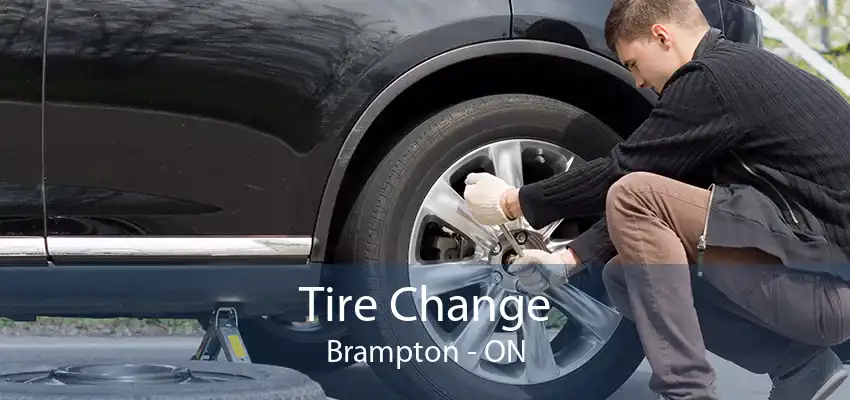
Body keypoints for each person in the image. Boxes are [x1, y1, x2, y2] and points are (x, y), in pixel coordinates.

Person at [462, 0, 850, 399]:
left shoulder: (710, 80)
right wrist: (567, 259)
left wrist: (515, 201)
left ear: (662, 36)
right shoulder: (737, 75)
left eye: (632, 64)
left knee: (633, 194)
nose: (639, 83)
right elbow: (669, 181)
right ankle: (801, 365)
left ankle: (686, 391)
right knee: (624, 275)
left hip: (825, 291)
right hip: (817, 282)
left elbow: (624, 173)